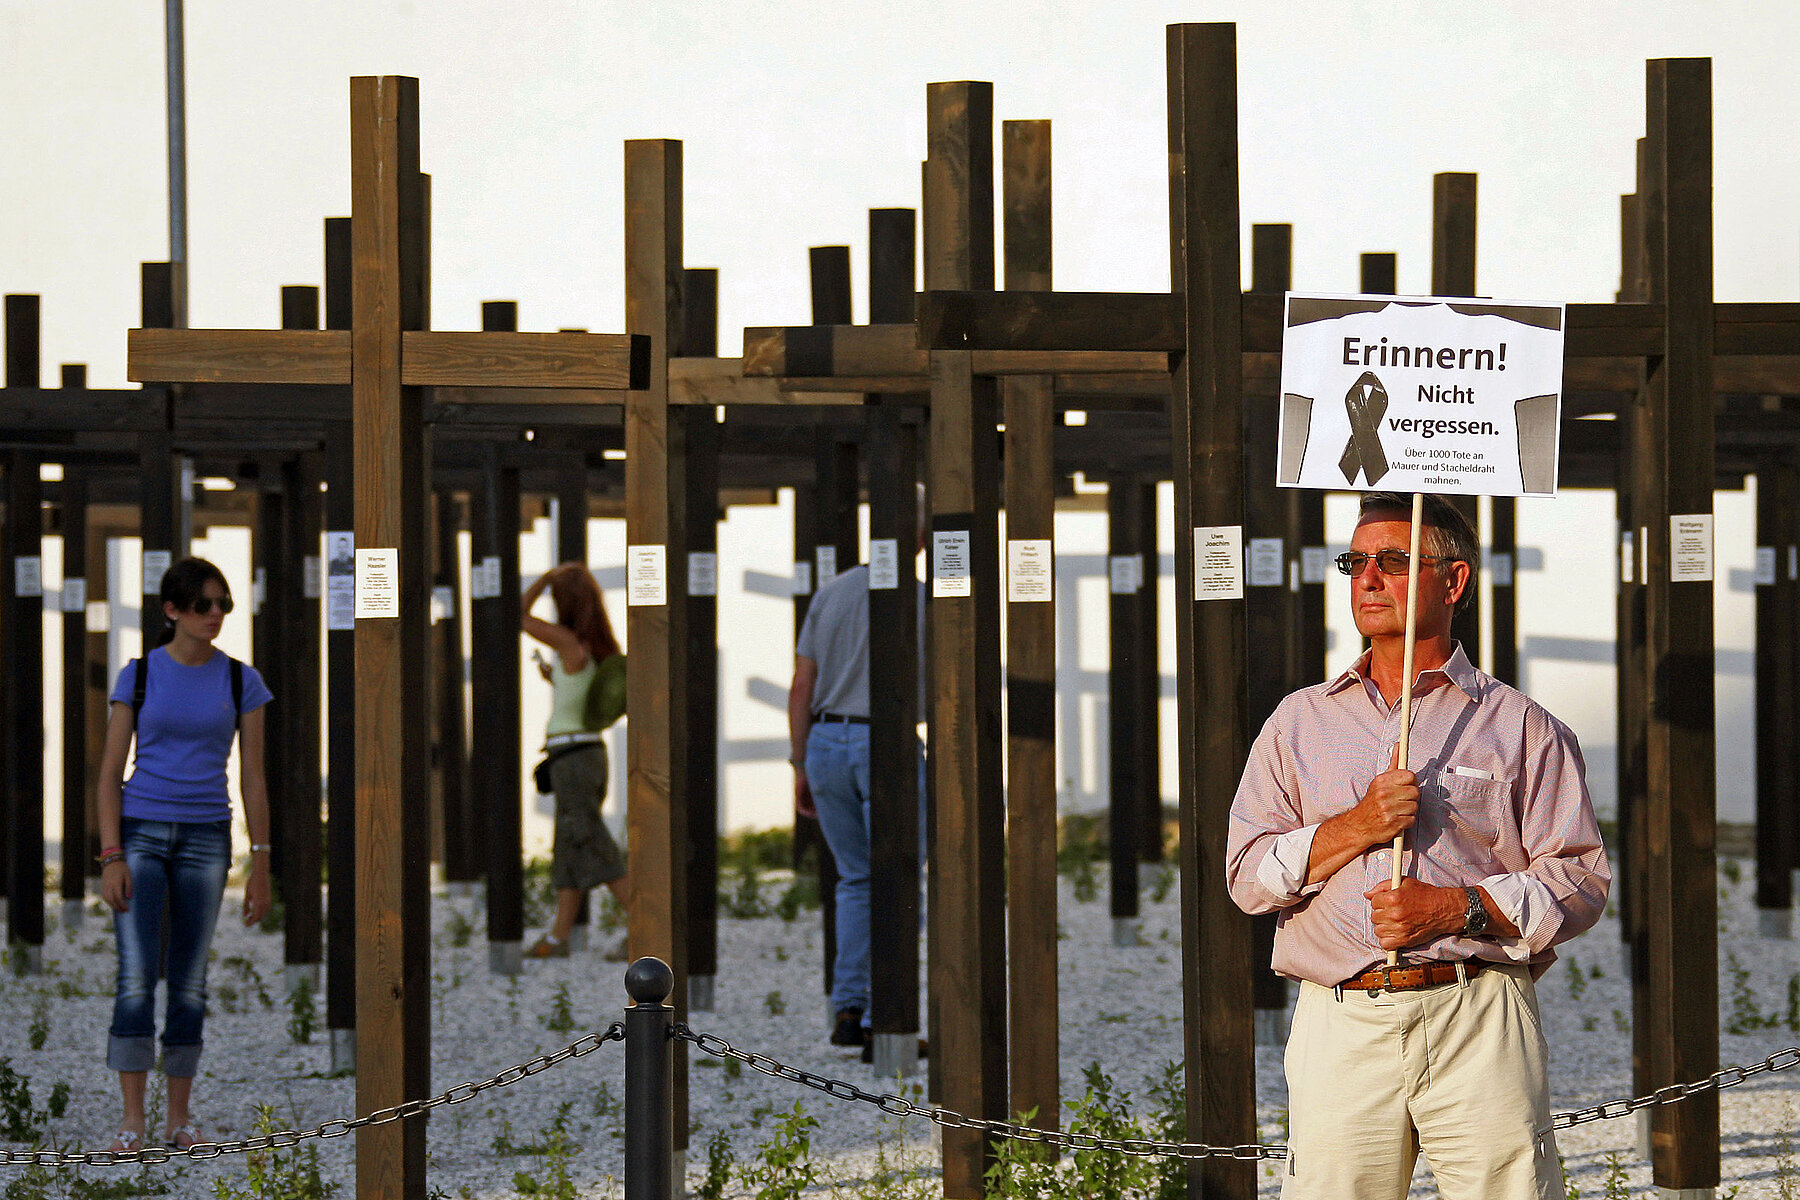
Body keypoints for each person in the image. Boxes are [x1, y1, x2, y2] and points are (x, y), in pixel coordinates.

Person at [1225, 492, 1609, 1200]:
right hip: (1340, 1016)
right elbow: (1248, 877)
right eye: (1356, 561)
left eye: (1394, 561)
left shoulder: (1522, 728)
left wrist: (1455, 908)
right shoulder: (1297, 723)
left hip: (1479, 1011)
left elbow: (1580, 880)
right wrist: (1356, 827)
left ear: (1454, 581)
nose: (1367, 579)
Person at [96, 557, 273, 1152]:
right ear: (172, 611)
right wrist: (111, 854)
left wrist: (261, 861)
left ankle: (178, 1118)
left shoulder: (240, 681)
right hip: (142, 829)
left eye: (223, 604)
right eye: (203, 605)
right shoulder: (139, 674)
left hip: (206, 836)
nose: (216, 615)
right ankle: (131, 1119)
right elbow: (108, 774)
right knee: (137, 975)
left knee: (191, 980)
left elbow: (254, 778)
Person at [521, 561, 628, 958]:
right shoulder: (591, 647)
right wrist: (555, 679)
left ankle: (645, 923)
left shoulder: (568, 641)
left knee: (589, 837)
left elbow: (518, 615)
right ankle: (557, 938)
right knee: (569, 844)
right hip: (582, 754)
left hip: (574, 758)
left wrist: (545, 576)